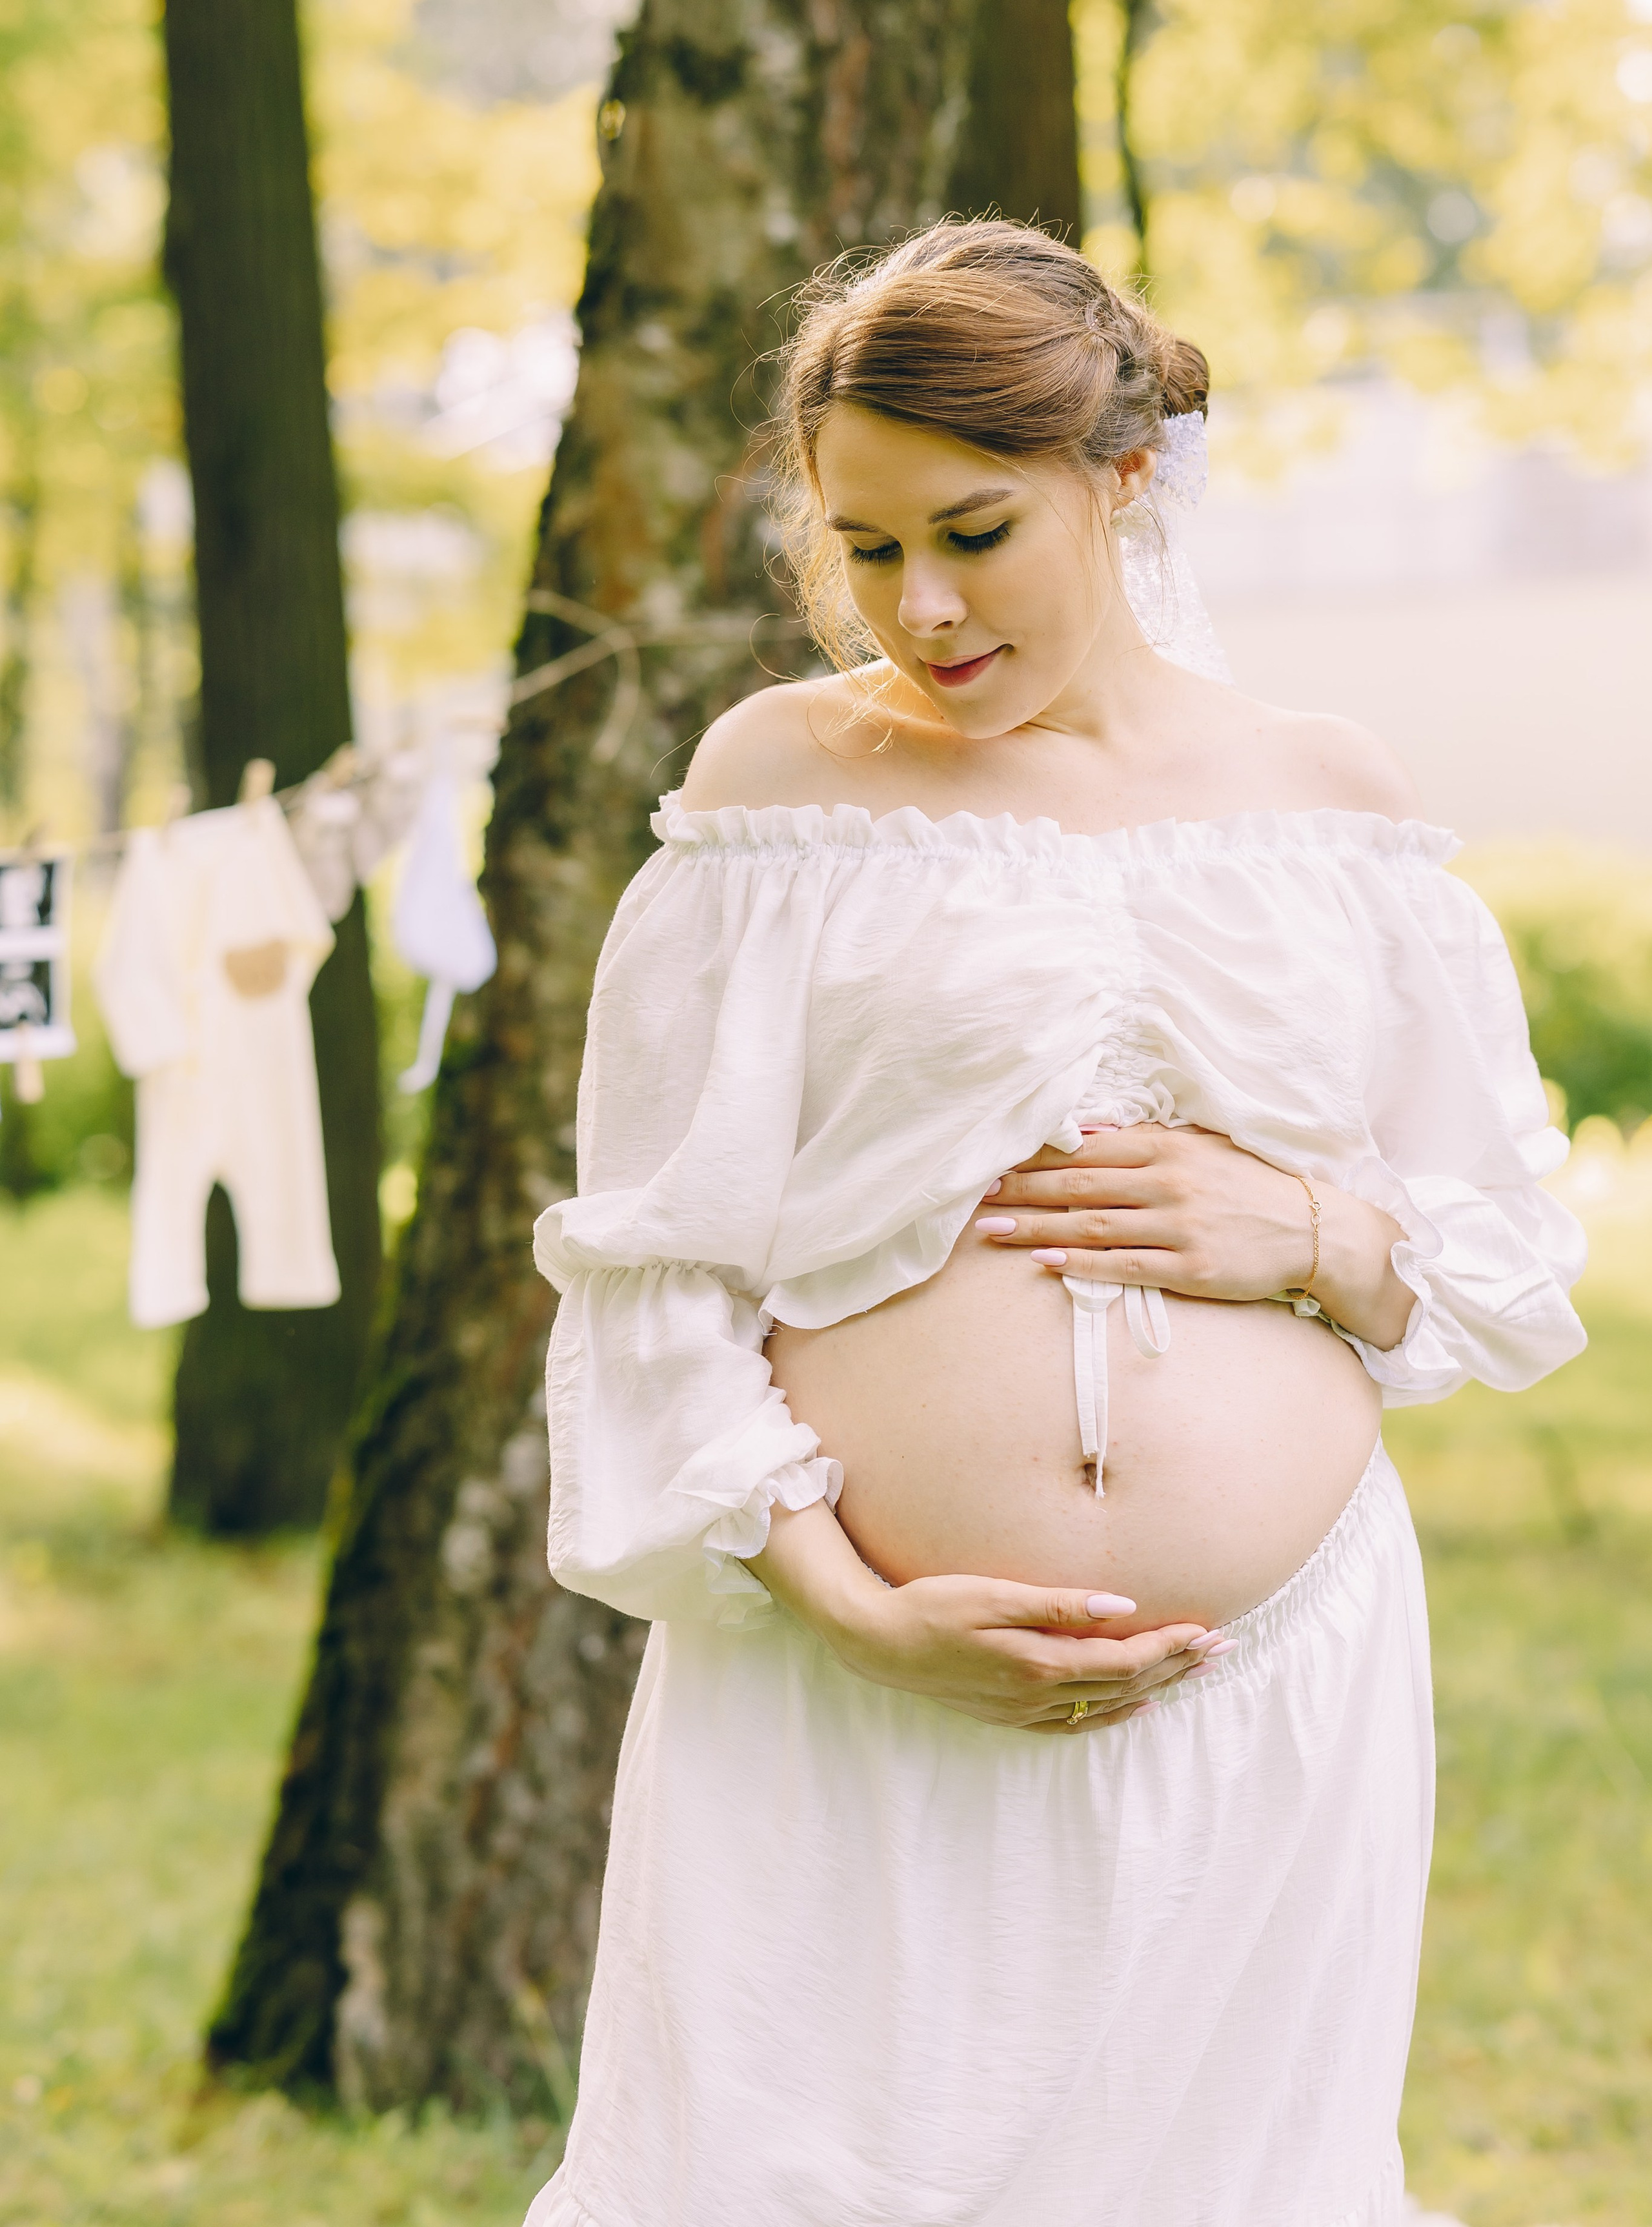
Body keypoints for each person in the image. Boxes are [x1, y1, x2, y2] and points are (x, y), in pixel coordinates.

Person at [525, 220, 1586, 2227]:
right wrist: (853, 1602)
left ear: (1121, 477)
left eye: (977, 529)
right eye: (868, 543)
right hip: (851, 1678)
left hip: (1270, 1685)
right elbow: (663, 1265)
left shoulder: (1328, 803)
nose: (920, 603)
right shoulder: (780, 794)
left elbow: (1492, 1235)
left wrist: (1312, 1234)